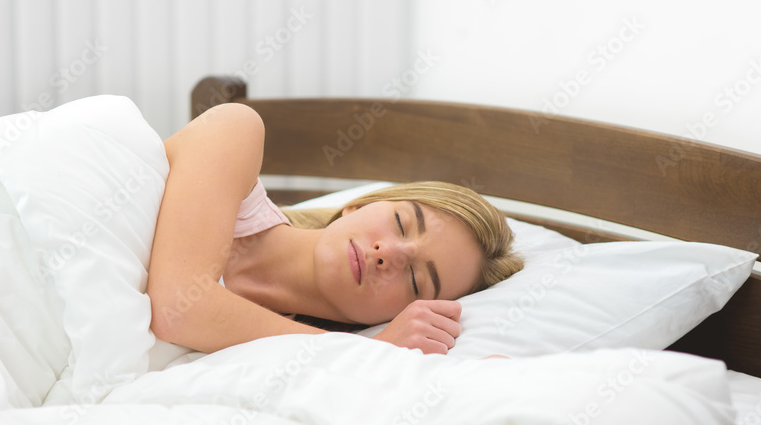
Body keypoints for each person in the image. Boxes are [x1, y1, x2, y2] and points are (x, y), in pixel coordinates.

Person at [147, 102, 524, 356]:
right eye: (401, 223)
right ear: (358, 206)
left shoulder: (286, 352)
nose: (388, 254)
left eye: (414, 279)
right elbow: (178, 310)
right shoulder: (235, 132)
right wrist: (371, 348)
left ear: (393, 316)